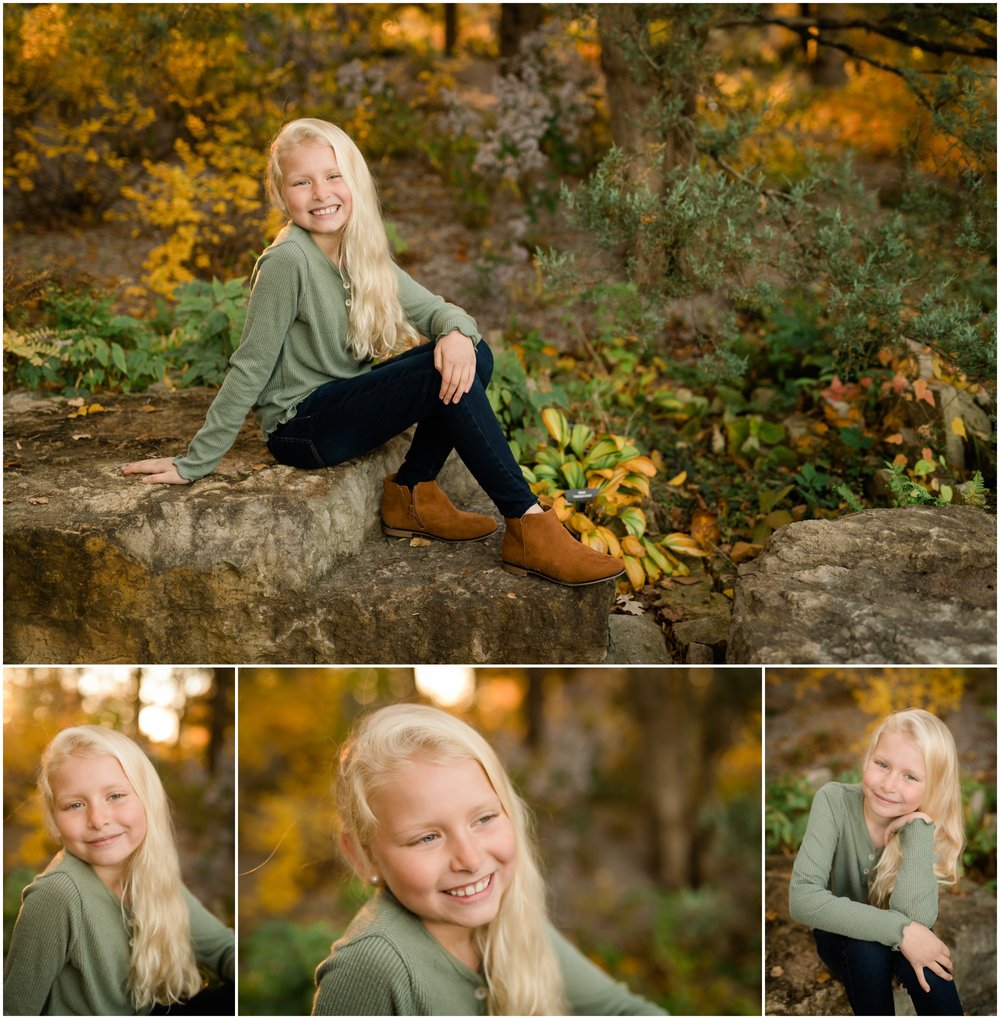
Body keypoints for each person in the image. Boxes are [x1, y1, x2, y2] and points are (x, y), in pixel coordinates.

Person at [122, 117, 622, 587]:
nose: (321, 194)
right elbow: (250, 365)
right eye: (302, 183)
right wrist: (197, 460)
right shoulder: (286, 262)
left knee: (473, 354)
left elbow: (444, 314)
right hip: (301, 429)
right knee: (440, 369)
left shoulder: (359, 251)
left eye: (332, 176)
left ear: (352, 181)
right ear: (279, 193)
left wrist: (453, 334)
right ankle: (527, 522)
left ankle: (412, 494)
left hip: (341, 405)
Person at [313, 703, 667, 1016]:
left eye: (484, 819)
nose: (469, 858)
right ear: (364, 857)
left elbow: (625, 1011)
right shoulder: (369, 967)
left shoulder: (512, 917)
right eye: (427, 838)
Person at [3, 725, 234, 1016]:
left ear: (146, 798)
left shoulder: (151, 873)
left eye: (115, 796)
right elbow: (14, 1010)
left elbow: (226, 950)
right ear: (55, 818)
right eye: (74, 805)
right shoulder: (57, 896)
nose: (98, 819)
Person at [788, 708, 965, 1016]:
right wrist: (899, 930)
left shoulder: (925, 827)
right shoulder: (834, 801)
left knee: (930, 963)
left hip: (899, 942)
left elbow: (917, 920)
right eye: (882, 764)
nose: (889, 785)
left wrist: (917, 831)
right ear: (867, 758)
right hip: (840, 936)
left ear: (932, 787)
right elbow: (803, 899)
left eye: (910, 776)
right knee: (866, 947)